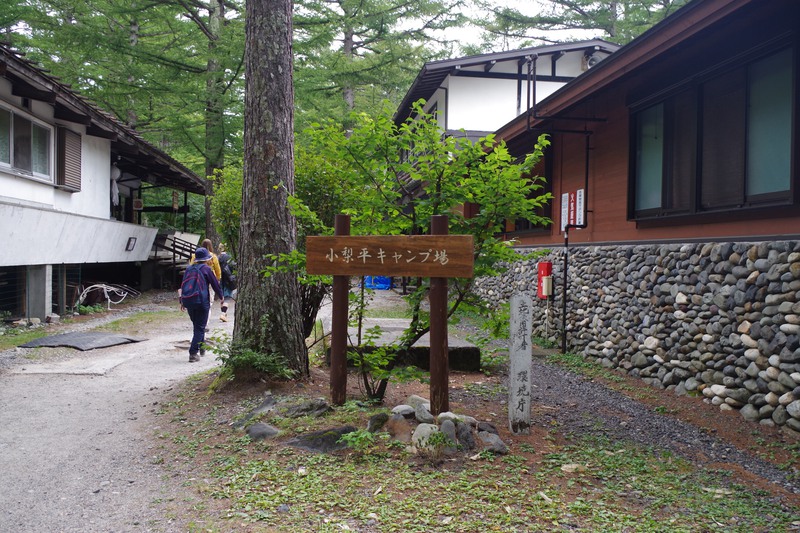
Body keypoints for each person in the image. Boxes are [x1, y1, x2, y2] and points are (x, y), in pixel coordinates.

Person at [179, 247, 224, 363]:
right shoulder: (206, 269)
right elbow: (215, 284)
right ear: (206, 259)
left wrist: (182, 301)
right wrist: (222, 297)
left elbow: (183, 286)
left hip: (189, 301)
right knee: (200, 328)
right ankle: (193, 353)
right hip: (202, 301)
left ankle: (202, 348)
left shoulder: (188, 269)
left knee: (198, 326)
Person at [217, 244, 237, 323]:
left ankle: (224, 314)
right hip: (228, 280)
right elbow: (233, 267)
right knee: (227, 298)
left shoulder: (217, 258)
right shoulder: (229, 258)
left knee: (222, 297)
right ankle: (223, 313)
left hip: (219, 280)